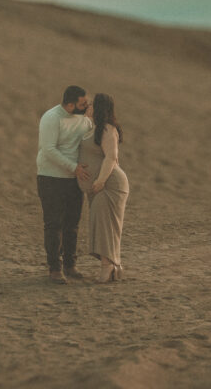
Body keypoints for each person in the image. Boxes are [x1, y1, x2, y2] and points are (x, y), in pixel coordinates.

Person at [36, 85, 93, 284]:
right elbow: (48, 149)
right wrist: (73, 167)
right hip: (51, 178)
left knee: (72, 224)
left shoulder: (85, 121)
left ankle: (70, 265)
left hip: (75, 180)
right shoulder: (52, 118)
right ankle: (54, 268)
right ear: (70, 105)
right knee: (54, 224)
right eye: (83, 104)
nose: (87, 106)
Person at [78, 93, 129, 283]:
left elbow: (111, 157)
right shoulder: (93, 128)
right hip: (99, 185)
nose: (88, 106)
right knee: (103, 224)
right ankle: (115, 266)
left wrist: (100, 181)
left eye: (91, 104)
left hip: (109, 184)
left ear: (98, 107)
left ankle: (107, 268)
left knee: (105, 225)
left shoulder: (108, 129)